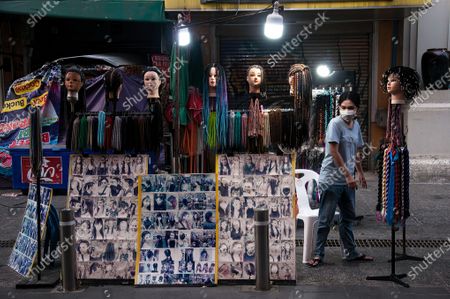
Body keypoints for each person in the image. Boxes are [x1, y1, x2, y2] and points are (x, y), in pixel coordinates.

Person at [308, 91, 372, 267]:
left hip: (348, 179)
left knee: (348, 218)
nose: (346, 111)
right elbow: (334, 152)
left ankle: (350, 252)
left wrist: (360, 173)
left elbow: (357, 152)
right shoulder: (334, 124)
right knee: (325, 219)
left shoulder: (356, 125)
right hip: (332, 178)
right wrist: (348, 175)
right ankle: (318, 255)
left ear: (357, 109)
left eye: (350, 108)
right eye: (343, 107)